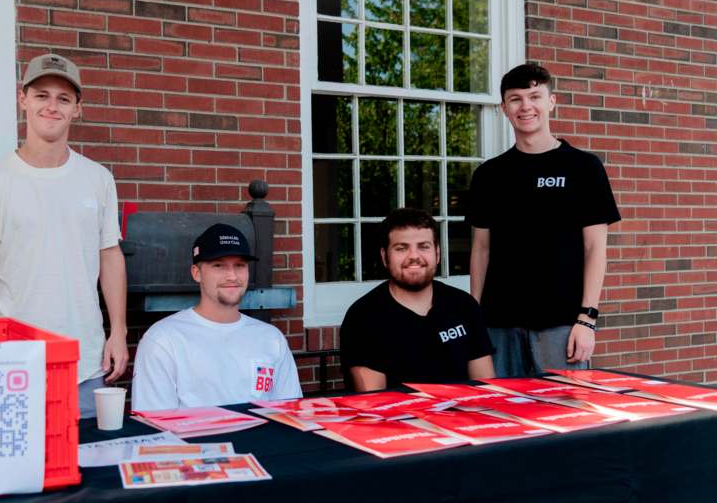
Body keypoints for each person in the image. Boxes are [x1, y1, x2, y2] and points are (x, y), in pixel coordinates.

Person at [0, 54, 128, 417]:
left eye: (63, 99)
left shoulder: (98, 179)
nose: (52, 106)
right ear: (23, 100)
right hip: (17, 364)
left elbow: (110, 255)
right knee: (18, 471)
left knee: (87, 469)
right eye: (41, 95)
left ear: (77, 109)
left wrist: (119, 332)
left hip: (86, 361)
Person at [467, 63, 621, 377]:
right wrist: (475, 318)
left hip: (562, 327)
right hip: (499, 325)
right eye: (515, 99)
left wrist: (586, 320)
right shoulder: (489, 175)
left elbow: (595, 249)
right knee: (503, 418)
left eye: (535, 96)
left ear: (551, 102)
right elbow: (481, 249)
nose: (526, 106)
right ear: (504, 108)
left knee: (566, 420)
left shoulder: (583, 168)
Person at [131, 223, 302, 410]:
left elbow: (290, 413)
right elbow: (155, 428)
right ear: (197, 273)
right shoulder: (163, 340)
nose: (232, 276)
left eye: (239, 265)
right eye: (219, 265)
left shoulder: (271, 338)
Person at [340, 208, 495, 392]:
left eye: (424, 246)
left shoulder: (464, 306)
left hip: (463, 417)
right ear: (385, 256)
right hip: (399, 419)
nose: (414, 256)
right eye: (401, 248)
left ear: (437, 253)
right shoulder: (363, 317)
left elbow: (487, 390)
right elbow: (374, 405)